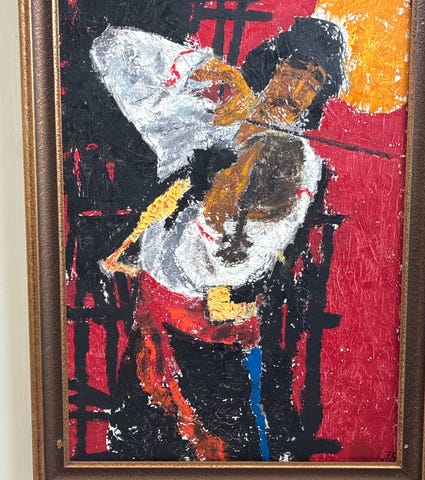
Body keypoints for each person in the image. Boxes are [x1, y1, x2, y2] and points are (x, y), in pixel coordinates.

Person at [91, 16, 345, 461]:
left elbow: (222, 264)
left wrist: (224, 182)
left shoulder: (295, 160)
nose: (299, 87)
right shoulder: (212, 116)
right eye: (296, 66)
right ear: (273, 62)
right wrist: (204, 70)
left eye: (316, 80)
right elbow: (111, 52)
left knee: (223, 455)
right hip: (150, 319)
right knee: (134, 452)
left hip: (212, 341)